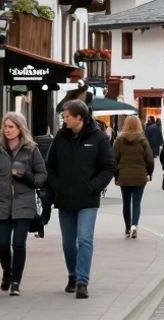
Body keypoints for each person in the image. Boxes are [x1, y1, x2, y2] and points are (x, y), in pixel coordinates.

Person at [45, 99, 117, 300]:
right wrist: (57, 186)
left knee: (84, 238)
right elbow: (50, 167)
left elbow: (109, 168)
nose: (64, 119)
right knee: (68, 243)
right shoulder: (60, 137)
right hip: (65, 199)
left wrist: (92, 187)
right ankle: (72, 274)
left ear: (79, 118)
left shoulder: (99, 138)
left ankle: (82, 281)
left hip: (87, 200)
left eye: (67, 116)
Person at [0, 111, 46, 296]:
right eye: (5, 127)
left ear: (20, 128)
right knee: (2, 244)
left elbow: (42, 177)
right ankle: (7, 272)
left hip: (24, 203)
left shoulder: (31, 149)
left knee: (18, 244)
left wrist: (27, 175)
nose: (6, 130)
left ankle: (16, 281)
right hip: (0, 204)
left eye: (11, 127)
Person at [112, 115, 154, 239]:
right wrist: (149, 173)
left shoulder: (119, 141)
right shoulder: (143, 140)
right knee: (136, 202)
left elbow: (113, 159)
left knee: (126, 203)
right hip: (140, 175)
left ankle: (127, 227)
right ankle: (135, 225)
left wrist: (116, 174)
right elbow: (150, 160)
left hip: (124, 175)